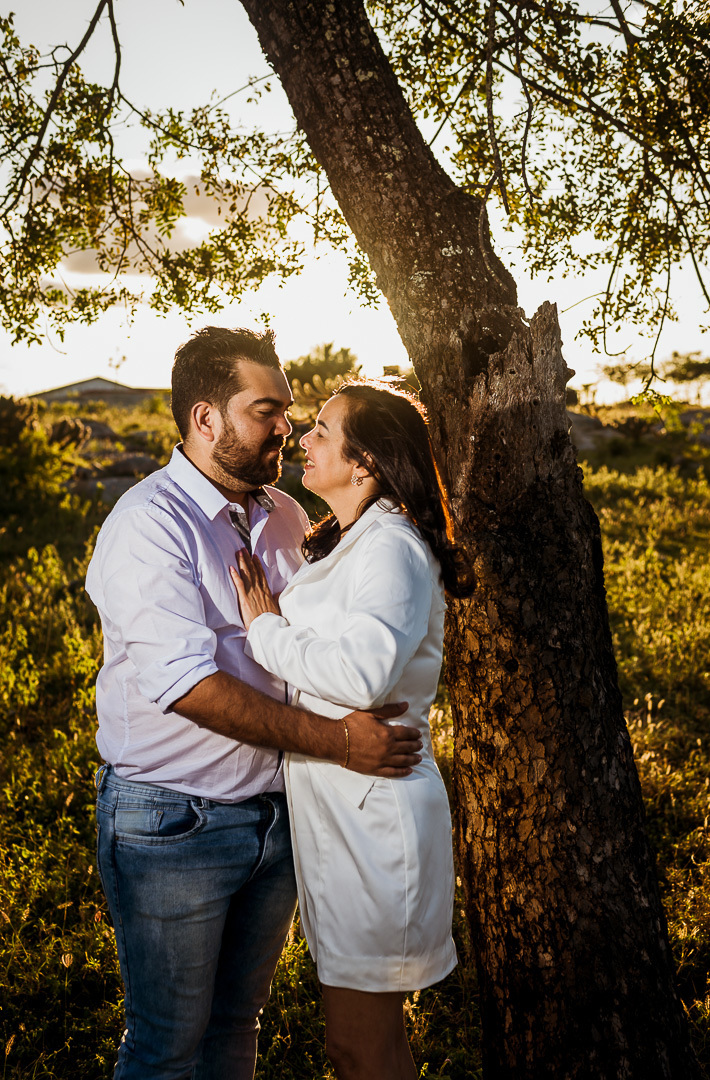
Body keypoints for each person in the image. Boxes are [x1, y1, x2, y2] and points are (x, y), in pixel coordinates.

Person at [85, 327, 422, 1080]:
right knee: (166, 1046)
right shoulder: (148, 526)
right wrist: (338, 742)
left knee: (238, 1030)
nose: (287, 427)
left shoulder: (284, 516)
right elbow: (188, 687)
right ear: (206, 420)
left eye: (291, 412)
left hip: (279, 818)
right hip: (177, 822)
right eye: (265, 409)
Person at [230, 381, 475, 1080]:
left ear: (364, 460)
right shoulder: (353, 540)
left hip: (374, 823)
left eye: (320, 430)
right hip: (342, 817)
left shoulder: (390, 545)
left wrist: (263, 629)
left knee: (357, 1048)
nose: (301, 440)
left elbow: (364, 675)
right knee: (368, 1046)